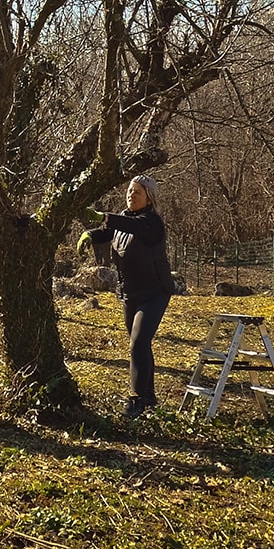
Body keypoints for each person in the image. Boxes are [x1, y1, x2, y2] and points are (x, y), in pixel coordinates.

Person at [77, 175, 175, 419]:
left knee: (138, 342)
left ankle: (136, 400)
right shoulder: (124, 219)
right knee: (139, 344)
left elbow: (132, 227)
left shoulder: (152, 223)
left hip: (154, 292)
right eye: (130, 191)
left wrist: (104, 216)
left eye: (138, 192)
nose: (132, 195)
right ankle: (149, 395)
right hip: (130, 293)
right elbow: (106, 232)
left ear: (149, 198)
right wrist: (90, 234)